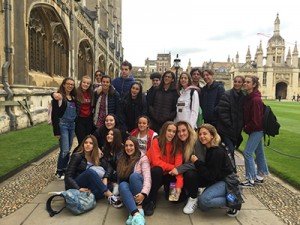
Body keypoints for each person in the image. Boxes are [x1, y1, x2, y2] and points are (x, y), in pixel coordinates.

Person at [190, 124, 238, 217]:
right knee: (203, 207)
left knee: (203, 201)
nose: (202, 136)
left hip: (227, 181)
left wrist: (196, 162)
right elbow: (210, 170)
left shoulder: (217, 151)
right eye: (200, 134)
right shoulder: (210, 148)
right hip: (218, 179)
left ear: (212, 135)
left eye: (205, 134)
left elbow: (210, 175)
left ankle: (234, 199)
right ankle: (228, 195)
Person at [64, 135, 122, 207]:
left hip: (88, 185)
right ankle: (110, 196)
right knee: (90, 172)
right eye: (86, 143)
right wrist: (78, 188)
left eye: (91, 143)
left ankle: (89, 195)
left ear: (94, 146)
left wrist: (105, 178)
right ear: (83, 144)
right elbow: (68, 177)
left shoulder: (96, 156)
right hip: (77, 183)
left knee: (108, 185)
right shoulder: (77, 156)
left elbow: (109, 167)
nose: (88, 145)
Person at [143, 121, 183, 216]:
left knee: (174, 199)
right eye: (169, 130)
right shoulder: (156, 141)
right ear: (164, 130)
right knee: (157, 169)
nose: (171, 134)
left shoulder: (177, 146)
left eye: (174, 131)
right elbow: (156, 162)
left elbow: (179, 169)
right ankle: (151, 200)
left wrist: (178, 185)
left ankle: (167, 188)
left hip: (169, 175)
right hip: (156, 174)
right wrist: (174, 168)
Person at [240, 75, 269, 187]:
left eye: (248, 82)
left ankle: (250, 178)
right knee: (259, 152)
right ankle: (261, 175)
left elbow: (256, 121)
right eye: (245, 82)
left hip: (257, 130)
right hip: (255, 130)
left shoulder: (255, 99)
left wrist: (246, 127)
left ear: (254, 85)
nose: (245, 84)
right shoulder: (250, 97)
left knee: (247, 153)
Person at [117, 136, 151, 225]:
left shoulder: (142, 158)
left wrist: (143, 193)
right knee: (122, 185)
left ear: (136, 146)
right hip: (128, 192)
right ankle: (136, 214)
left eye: (131, 145)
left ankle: (139, 207)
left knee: (134, 176)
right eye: (126, 146)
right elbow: (120, 178)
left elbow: (147, 178)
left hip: (140, 189)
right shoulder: (122, 158)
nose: (128, 148)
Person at [169, 121, 200, 214]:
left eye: (184, 130)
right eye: (178, 131)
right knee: (174, 200)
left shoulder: (196, 142)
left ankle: (193, 197)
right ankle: (185, 191)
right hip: (180, 175)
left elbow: (199, 163)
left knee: (189, 174)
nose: (181, 133)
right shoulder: (177, 143)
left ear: (189, 130)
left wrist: (179, 169)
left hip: (194, 174)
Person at [217, 75, 245, 171]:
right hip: (226, 130)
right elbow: (223, 112)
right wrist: (230, 125)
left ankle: (227, 171)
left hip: (236, 131)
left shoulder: (243, 97)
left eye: (239, 82)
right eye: (235, 81)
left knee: (229, 150)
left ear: (242, 84)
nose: (237, 83)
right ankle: (232, 172)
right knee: (230, 151)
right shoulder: (227, 94)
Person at [51, 77, 77, 179]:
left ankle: (65, 168)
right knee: (64, 150)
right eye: (68, 84)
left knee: (68, 149)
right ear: (64, 84)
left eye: (72, 84)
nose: (70, 86)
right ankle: (59, 171)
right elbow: (54, 115)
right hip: (63, 125)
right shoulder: (58, 97)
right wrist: (56, 131)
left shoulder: (74, 98)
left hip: (72, 125)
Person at [102, 128, 123, 194]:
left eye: (111, 134)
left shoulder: (122, 148)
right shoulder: (106, 148)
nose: (108, 135)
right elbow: (108, 165)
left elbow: (120, 167)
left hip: (119, 175)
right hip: (109, 173)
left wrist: (106, 177)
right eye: (108, 134)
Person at [75, 75, 94, 147]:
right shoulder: (76, 92)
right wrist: (53, 94)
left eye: (88, 83)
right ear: (81, 82)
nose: (85, 84)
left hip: (89, 119)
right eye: (84, 82)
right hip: (79, 119)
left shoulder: (91, 93)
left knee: (87, 140)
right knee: (81, 142)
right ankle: (76, 156)